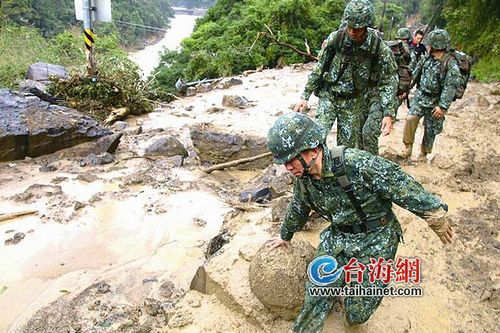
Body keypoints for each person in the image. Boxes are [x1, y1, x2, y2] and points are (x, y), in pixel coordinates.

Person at [267, 112, 453, 333]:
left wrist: (434, 214)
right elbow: (298, 208)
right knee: (316, 294)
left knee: (356, 315)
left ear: (312, 150)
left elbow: (399, 184)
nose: (287, 167)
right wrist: (284, 235)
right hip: (339, 237)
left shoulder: (355, 163)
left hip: (377, 236)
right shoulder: (304, 181)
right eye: (284, 162)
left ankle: (358, 284)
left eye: (290, 160)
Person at [293, 0, 398, 156]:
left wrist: (388, 113)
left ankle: (339, 177)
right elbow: (319, 68)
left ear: (366, 26)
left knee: (344, 149)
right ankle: (310, 174)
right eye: (349, 26)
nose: (352, 31)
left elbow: (388, 80)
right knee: (316, 136)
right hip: (329, 95)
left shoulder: (378, 47)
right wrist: (304, 96)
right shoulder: (336, 38)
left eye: (357, 28)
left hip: (353, 102)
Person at [402, 29, 462, 160]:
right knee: (410, 119)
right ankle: (408, 147)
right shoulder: (427, 57)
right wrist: (405, 90)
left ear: (436, 44)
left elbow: (450, 86)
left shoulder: (450, 63)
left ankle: (424, 153)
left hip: (436, 101)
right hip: (421, 96)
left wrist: (443, 106)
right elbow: (415, 74)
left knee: (430, 129)